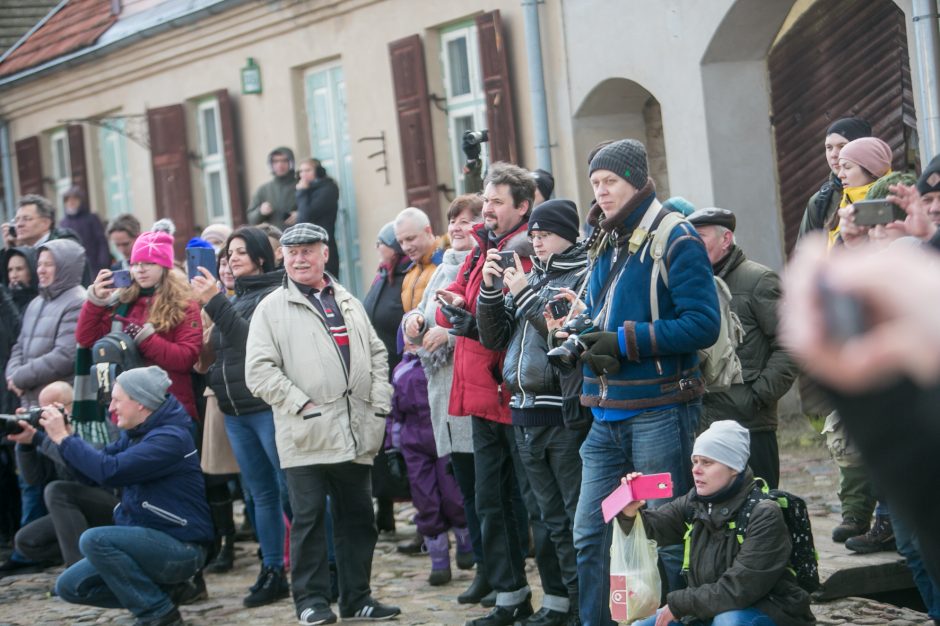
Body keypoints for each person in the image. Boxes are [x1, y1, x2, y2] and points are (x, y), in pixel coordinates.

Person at [570, 139, 719, 626]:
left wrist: (625, 341)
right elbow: (602, 315)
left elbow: (703, 325)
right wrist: (578, 331)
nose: (601, 192)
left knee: (666, 535)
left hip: (658, 411)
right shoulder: (604, 238)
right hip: (605, 419)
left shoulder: (676, 237)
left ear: (635, 179)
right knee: (591, 533)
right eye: (595, 183)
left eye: (609, 181)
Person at [246, 223, 401, 625]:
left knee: (358, 519)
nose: (300, 258)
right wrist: (301, 403)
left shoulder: (347, 299)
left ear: (324, 254)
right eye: (292, 252)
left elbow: (378, 352)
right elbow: (259, 371)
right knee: (309, 520)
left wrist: (380, 399)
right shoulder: (272, 308)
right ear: (283, 256)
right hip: (306, 432)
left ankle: (357, 598)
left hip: (354, 430)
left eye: (308, 251)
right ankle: (311, 602)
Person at [476, 198, 589, 625]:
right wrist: (491, 291)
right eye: (534, 236)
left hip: (561, 412)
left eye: (544, 236)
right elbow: (494, 336)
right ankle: (566, 604)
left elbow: (563, 336)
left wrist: (523, 294)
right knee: (550, 520)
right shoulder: (532, 276)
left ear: (568, 235)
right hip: (523, 412)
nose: (536, 242)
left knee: (577, 518)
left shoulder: (579, 276)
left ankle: (583, 608)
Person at [435, 162, 539, 626]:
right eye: (487, 198)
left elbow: (522, 326)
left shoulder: (524, 250)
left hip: (508, 392)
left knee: (529, 503)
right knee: (490, 502)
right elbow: (453, 299)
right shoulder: (483, 248)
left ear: (523, 206)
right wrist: (451, 309)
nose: (488, 208)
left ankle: (554, 598)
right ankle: (508, 593)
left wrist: (470, 321)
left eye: (497, 201)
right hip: (479, 392)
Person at [53, 366, 214, 626]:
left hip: (182, 549)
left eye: (117, 400)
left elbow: (109, 472)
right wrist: (46, 439)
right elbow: (93, 471)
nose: (111, 408)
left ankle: (159, 613)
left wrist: (63, 437)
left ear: (141, 403)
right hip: (149, 543)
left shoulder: (170, 438)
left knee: (95, 539)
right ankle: (165, 595)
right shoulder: (136, 434)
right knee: (70, 587)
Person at [618, 420, 815, 626]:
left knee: (728, 621)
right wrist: (630, 512)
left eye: (707, 462)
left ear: (734, 467)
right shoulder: (695, 502)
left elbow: (738, 589)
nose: (696, 470)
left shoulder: (765, 514)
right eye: (695, 461)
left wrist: (679, 605)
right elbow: (652, 529)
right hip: (708, 609)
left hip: (768, 611)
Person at [191, 227, 289, 606]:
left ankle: (325, 565)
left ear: (261, 257)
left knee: (291, 491)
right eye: (228, 253)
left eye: (240, 252)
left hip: (265, 408)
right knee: (261, 495)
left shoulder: (274, 294)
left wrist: (215, 303)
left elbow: (251, 342)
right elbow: (220, 350)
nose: (231, 258)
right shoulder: (234, 296)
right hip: (235, 411)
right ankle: (272, 570)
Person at [402, 194, 484, 602]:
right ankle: (485, 571)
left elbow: (490, 325)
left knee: (486, 492)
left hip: (477, 392)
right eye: (454, 220)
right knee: (466, 488)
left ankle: (495, 571)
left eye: (469, 220)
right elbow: (416, 315)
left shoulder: (486, 264)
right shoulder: (441, 269)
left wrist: (449, 336)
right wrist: (414, 321)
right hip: (443, 393)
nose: (458, 226)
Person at [688, 208, 798, 488]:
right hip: (702, 422)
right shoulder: (690, 284)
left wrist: (757, 395)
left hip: (749, 423)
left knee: (762, 506)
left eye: (700, 237)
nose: (693, 245)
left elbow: (792, 343)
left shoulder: (759, 280)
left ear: (726, 239)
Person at [76, 231, 202, 420]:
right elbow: (86, 339)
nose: (141, 269)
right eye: (135, 264)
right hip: (123, 408)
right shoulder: (120, 299)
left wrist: (146, 339)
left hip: (166, 406)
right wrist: (95, 302)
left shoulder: (184, 303)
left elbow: (185, 359)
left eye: (149, 263)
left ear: (165, 266)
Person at [8, 381, 119, 567]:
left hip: (110, 502)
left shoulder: (95, 423)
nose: (45, 413)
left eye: (51, 408)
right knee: (27, 541)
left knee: (58, 490)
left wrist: (41, 439)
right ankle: (98, 560)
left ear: (71, 405)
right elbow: (34, 478)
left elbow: (92, 468)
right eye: (41, 408)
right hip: (72, 511)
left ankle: (79, 569)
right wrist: (25, 443)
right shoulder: (48, 432)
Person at [387, 335, 467, 587]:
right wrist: (393, 450)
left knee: (454, 497)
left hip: (443, 440)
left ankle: (466, 544)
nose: (414, 345)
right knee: (426, 501)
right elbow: (394, 415)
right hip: (415, 447)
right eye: (409, 341)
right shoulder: (402, 372)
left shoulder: (440, 364)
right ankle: (439, 560)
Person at [362, 221, 411, 536]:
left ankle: (422, 510)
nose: (378, 249)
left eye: (381, 242)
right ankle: (385, 508)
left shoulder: (405, 276)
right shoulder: (383, 275)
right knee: (381, 443)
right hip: (380, 373)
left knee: (407, 442)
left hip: (402, 371)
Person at [6, 239, 86, 409]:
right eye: (39, 264)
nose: (41, 270)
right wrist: (11, 374)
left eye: (48, 264)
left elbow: (65, 356)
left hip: (58, 405)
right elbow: (19, 346)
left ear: (66, 267)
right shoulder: (36, 302)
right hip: (29, 401)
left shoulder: (78, 302)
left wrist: (19, 377)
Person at [799, 117, 872, 239]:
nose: (833, 154)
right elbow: (804, 253)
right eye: (829, 147)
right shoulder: (820, 202)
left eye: (842, 146)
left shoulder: (889, 192)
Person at [830, 136, 893, 247]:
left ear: (872, 170)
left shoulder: (894, 206)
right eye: (840, 168)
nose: (840, 175)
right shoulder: (844, 202)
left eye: (847, 167)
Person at [295, 158, 340, 277]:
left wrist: (301, 193)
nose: (303, 174)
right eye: (301, 171)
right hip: (307, 244)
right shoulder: (306, 189)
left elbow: (305, 216)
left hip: (323, 242)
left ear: (318, 171)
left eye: (307, 170)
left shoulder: (328, 189)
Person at [395, 207, 444, 312]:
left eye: (410, 239)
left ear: (428, 231)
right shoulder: (410, 273)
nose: (405, 247)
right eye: (401, 242)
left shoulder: (446, 264)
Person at [60, 186, 111, 274]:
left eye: (75, 199)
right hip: (73, 269)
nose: (71, 202)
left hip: (93, 266)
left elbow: (102, 242)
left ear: (81, 201)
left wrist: (103, 264)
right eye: (68, 200)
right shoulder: (63, 223)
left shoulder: (91, 219)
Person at [248, 147, 298, 230]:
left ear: (291, 162)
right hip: (274, 239)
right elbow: (251, 219)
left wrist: (301, 215)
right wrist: (260, 212)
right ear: (271, 164)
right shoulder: (263, 190)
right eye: (275, 161)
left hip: (298, 237)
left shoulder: (302, 185)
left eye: (284, 161)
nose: (280, 165)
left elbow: (317, 211)